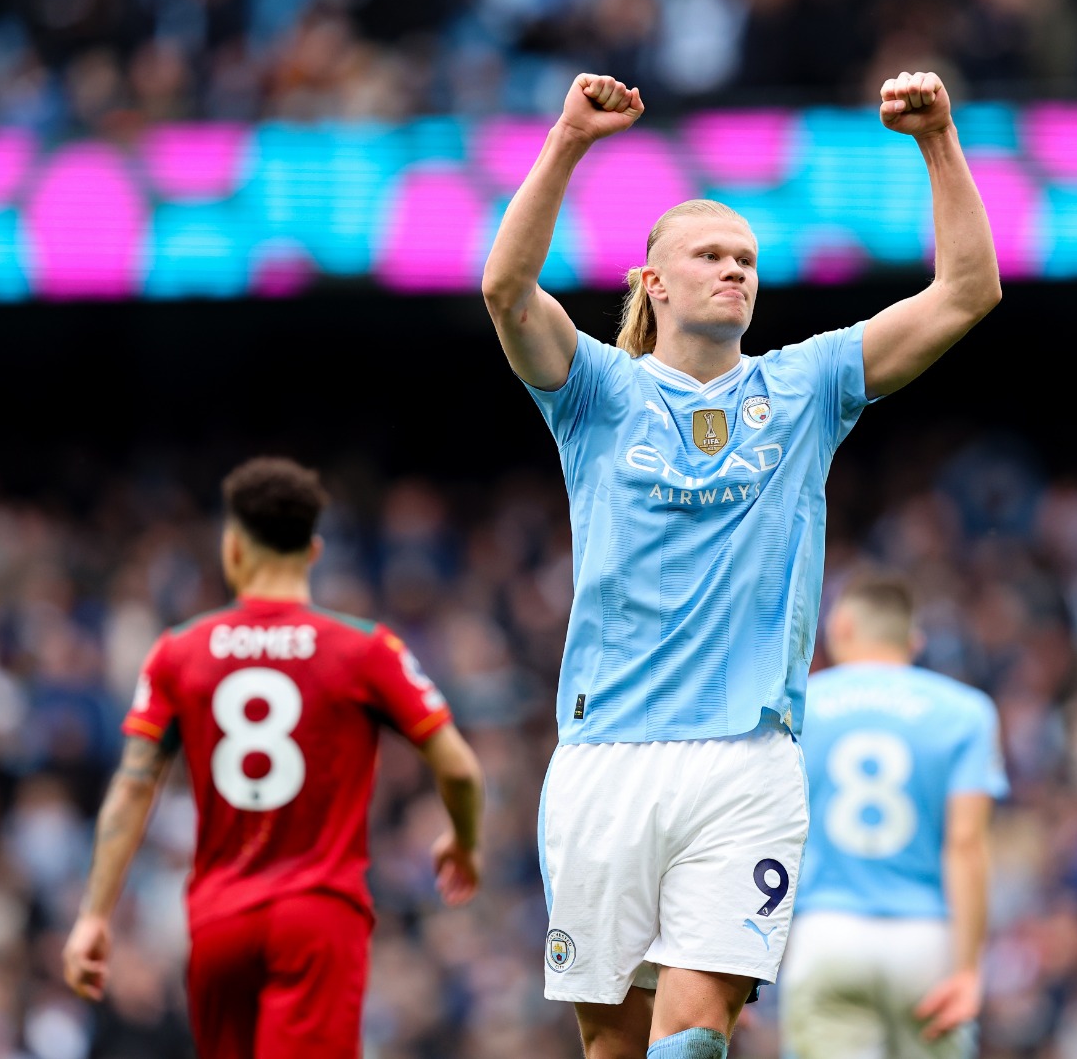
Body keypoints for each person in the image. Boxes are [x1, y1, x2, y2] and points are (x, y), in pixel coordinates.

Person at [481, 66, 1000, 1059]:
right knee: (613, 1043)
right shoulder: (596, 392)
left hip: (746, 758)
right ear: (653, 281)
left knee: (695, 1032)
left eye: (746, 258)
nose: (734, 269)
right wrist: (567, 142)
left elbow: (968, 291)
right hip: (604, 759)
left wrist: (938, 142)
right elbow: (505, 288)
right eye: (709, 254)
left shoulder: (805, 386)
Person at [61, 457, 485, 1058]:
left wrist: (94, 917)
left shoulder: (177, 653)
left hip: (218, 923)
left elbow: (133, 788)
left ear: (232, 548)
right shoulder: (365, 650)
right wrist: (464, 842)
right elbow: (460, 768)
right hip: (318, 919)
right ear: (313, 551)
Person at [782, 571, 1008, 1059]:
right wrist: (968, 969)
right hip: (926, 942)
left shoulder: (797, 710)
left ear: (840, 627)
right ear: (914, 641)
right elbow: (967, 845)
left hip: (825, 932)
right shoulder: (967, 713)